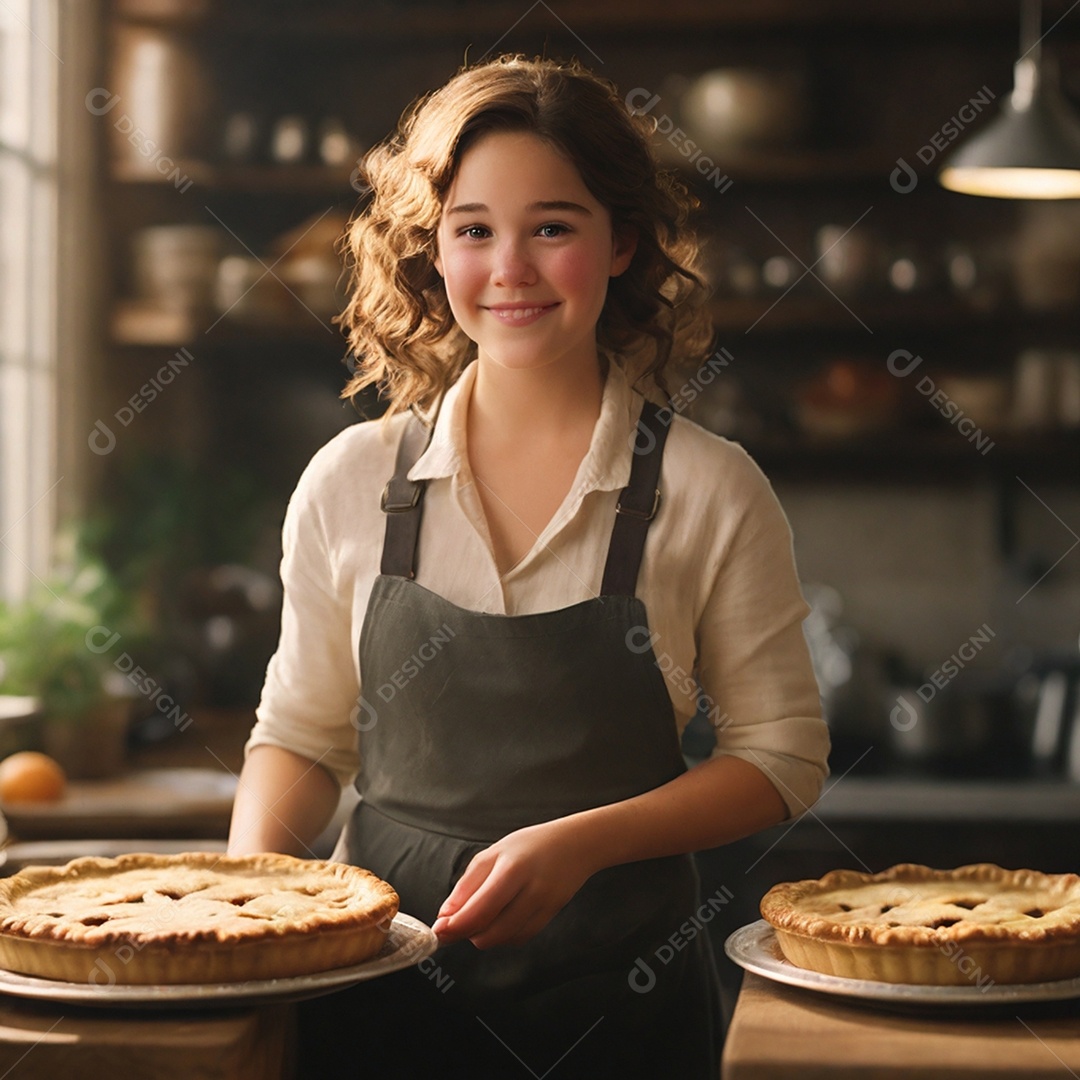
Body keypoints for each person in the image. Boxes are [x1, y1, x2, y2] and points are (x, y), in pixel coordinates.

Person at [228, 53, 829, 1079]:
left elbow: (782, 758)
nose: (509, 268)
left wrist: (583, 843)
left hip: (627, 1009)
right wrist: (247, 912)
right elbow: (300, 739)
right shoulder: (351, 481)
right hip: (372, 1004)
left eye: (552, 226)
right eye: (473, 230)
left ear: (620, 243)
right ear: (432, 251)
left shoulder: (711, 490)